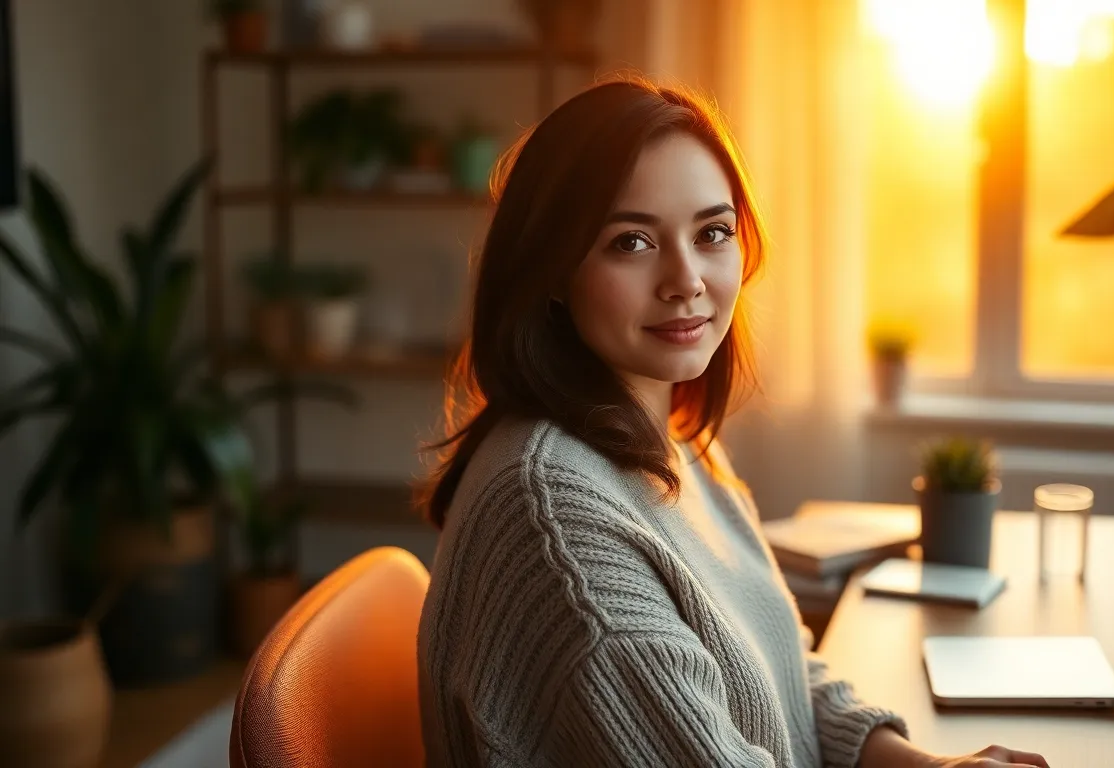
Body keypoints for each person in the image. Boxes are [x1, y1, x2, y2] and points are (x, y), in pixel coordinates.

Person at [416, 76, 1049, 768]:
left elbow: (782, 671)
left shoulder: (677, 442)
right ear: (552, 270)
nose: (686, 278)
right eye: (631, 242)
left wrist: (927, 767)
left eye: (712, 232)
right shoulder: (560, 522)